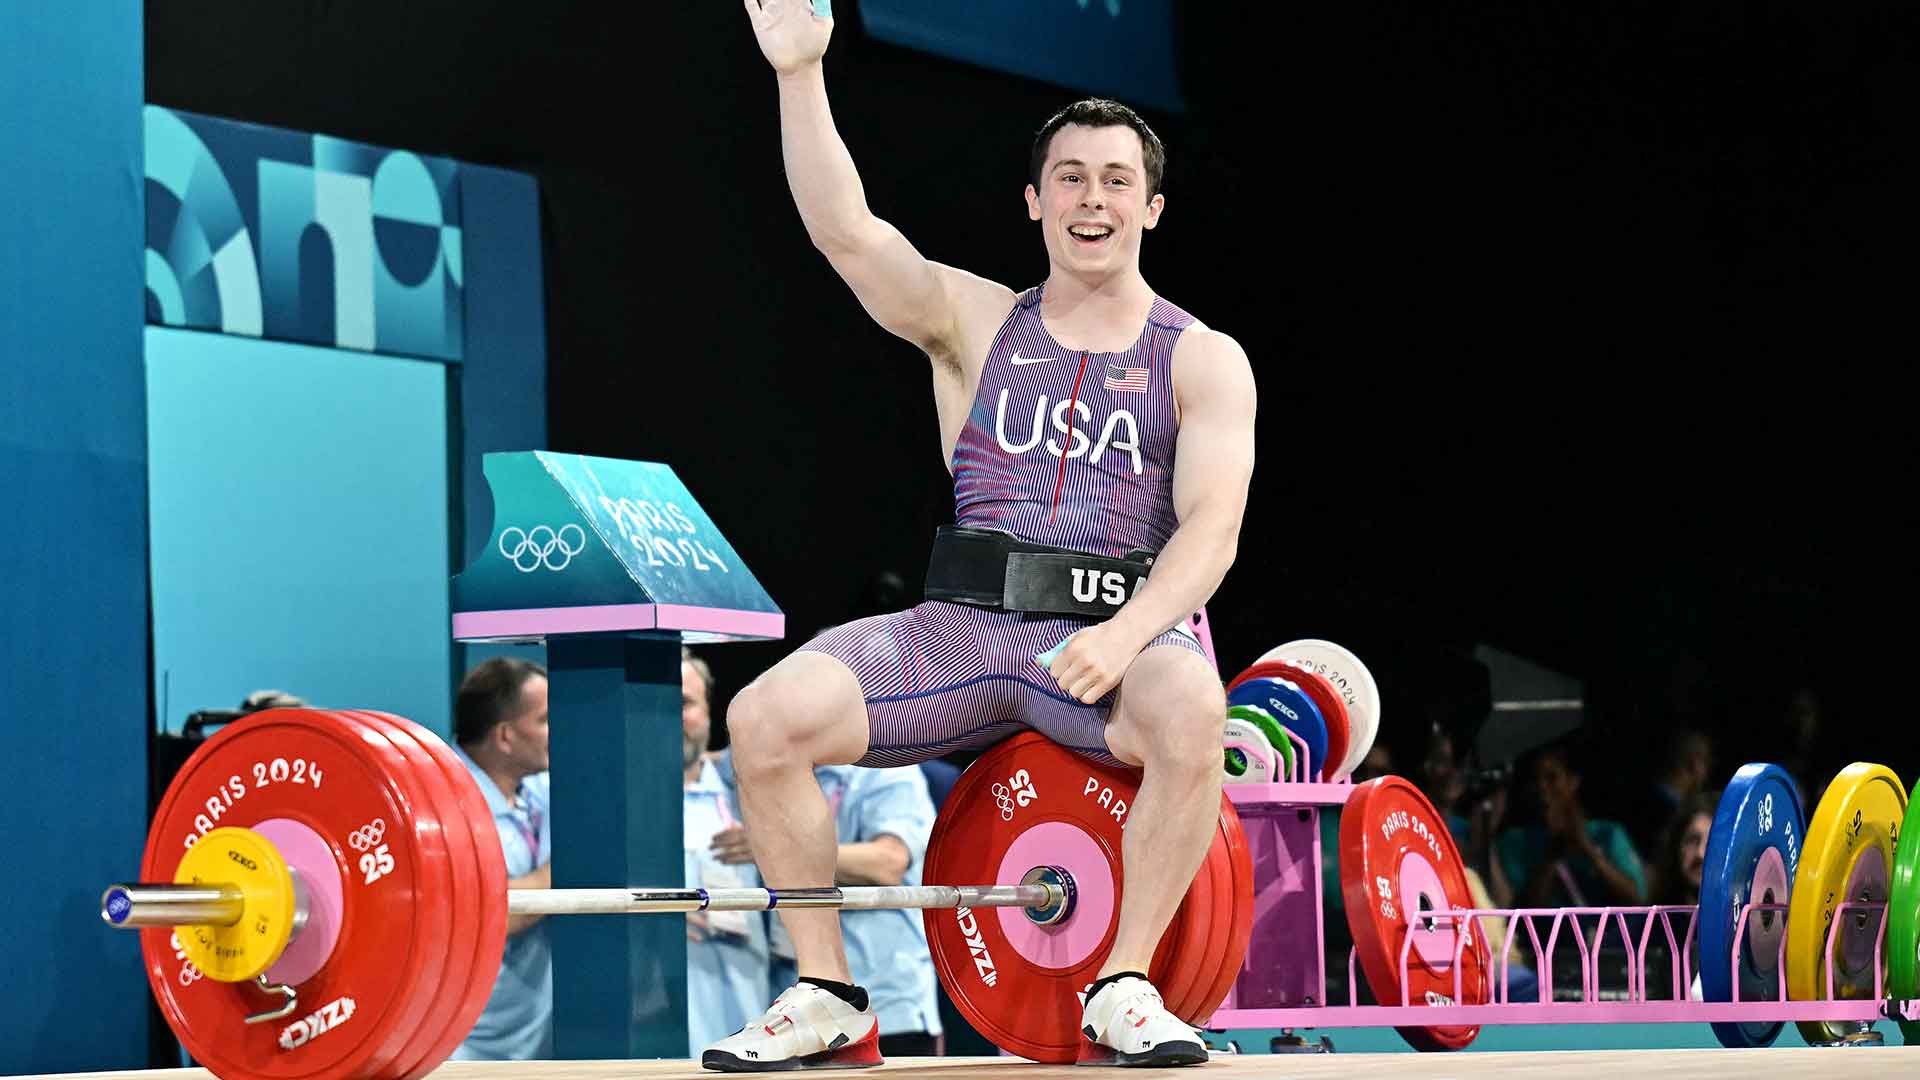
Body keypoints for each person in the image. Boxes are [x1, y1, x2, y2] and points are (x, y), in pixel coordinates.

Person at [715, 2, 1257, 1069]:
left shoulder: (1201, 358)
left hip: (1115, 640)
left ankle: (1124, 985)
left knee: (1193, 699)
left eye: (1113, 179)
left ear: (1151, 205)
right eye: (1069, 177)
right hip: (965, 631)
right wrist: (800, 71)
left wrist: (1132, 629)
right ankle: (827, 995)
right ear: (1033, 200)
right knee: (763, 716)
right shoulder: (973, 322)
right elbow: (847, 231)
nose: (1090, 198)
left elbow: (1214, 528)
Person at [713, 763, 945, 1056]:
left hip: (885, 1007)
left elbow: (889, 862)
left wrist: (775, 849)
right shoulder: (767, 768)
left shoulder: (887, 771)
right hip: (797, 1014)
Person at [450, 657, 554, 1061]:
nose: (558, 731)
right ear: (506, 737)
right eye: (545, 720)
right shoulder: (447, 800)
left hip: (529, 1037)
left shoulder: (536, 790)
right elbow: (487, 912)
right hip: (463, 1044)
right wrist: (573, 866)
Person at [681, 648, 776, 1051]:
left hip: (744, 1013)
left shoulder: (743, 792)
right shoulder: (607, 802)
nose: (672, 716)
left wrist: (768, 849)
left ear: (707, 711)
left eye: (685, 703)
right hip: (653, 1017)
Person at [1496, 741, 1647, 908]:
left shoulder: (1608, 833)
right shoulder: (1514, 841)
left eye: (1551, 777)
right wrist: (1551, 856)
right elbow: (1521, 913)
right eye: (1533, 779)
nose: (1541, 787)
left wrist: (1588, 849)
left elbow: (1637, 899)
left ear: (1573, 781)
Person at [1622, 728, 1712, 858]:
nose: (1706, 772)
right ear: (1695, 763)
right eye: (1706, 762)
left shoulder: (1639, 798)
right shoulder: (1676, 816)